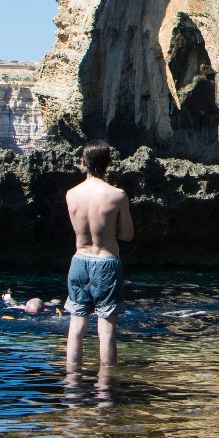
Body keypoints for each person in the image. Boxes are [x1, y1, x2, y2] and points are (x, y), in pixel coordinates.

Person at [65, 140, 132, 369]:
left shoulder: (71, 194)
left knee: (76, 326)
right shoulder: (117, 195)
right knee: (107, 329)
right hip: (106, 261)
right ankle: (106, 388)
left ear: (83, 162)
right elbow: (128, 234)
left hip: (79, 260)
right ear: (109, 164)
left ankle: (72, 383)